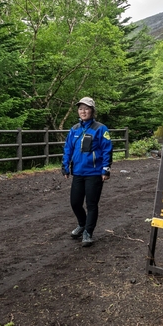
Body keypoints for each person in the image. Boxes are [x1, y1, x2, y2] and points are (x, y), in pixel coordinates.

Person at [62, 97, 113, 247]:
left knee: (91, 204)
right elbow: (68, 149)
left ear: (92, 110)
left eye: (86, 108)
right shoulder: (75, 129)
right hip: (78, 172)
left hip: (94, 173)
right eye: (80, 108)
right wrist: (65, 166)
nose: (83, 111)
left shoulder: (100, 129)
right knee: (75, 203)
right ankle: (82, 224)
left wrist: (106, 169)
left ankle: (88, 233)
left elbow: (107, 150)